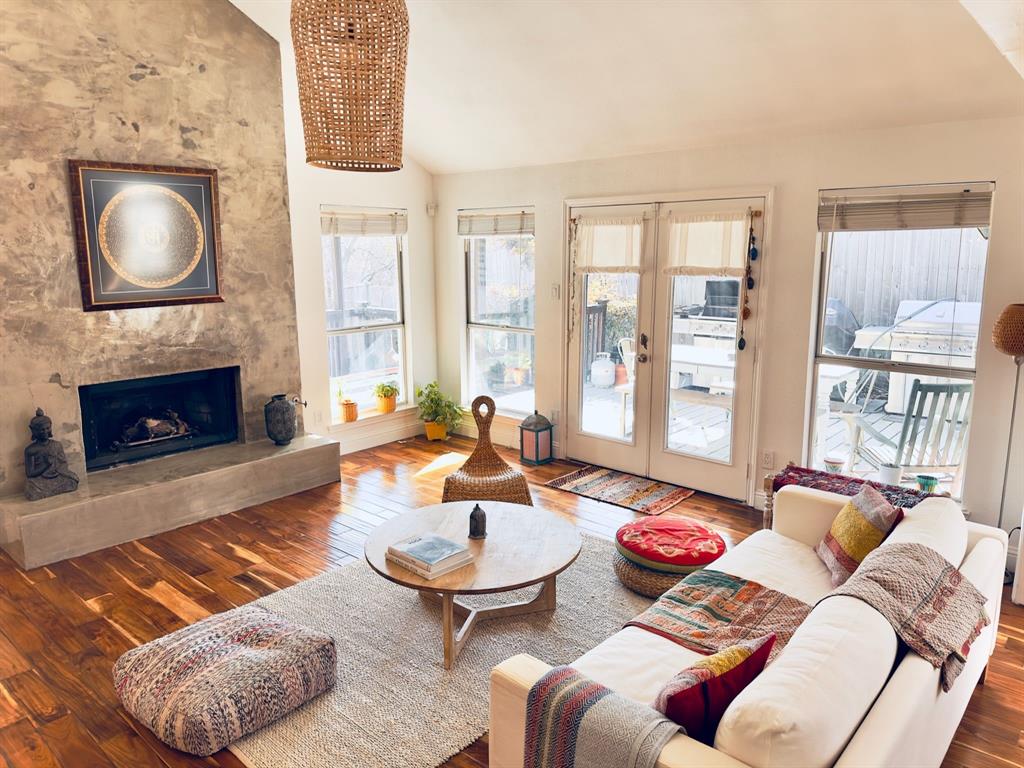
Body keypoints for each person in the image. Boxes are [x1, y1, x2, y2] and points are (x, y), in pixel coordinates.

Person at [24, 408, 79, 501]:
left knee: (72, 480)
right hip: (40, 479)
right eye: (41, 430)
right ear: (34, 431)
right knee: (32, 488)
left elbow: (63, 465)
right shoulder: (30, 450)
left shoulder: (57, 445)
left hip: (57, 476)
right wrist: (46, 465)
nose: (45, 432)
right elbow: (30, 474)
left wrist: (57, 470)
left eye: (47, 428)